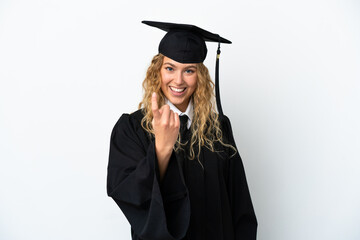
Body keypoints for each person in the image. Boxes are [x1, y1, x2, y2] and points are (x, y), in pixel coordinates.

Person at [107, 20, 258, 240]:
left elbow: (240, 205)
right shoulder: (131, 129)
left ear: (200, 77)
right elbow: (128, 195)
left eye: (189, 70)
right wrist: (161, 148)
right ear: (157, 70)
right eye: (170, 68)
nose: (178, 80)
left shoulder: (218, 128)